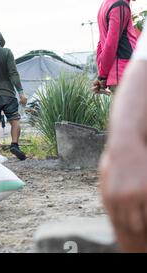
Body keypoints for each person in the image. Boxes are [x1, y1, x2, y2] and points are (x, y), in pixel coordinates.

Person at [99, 20, 147, 252]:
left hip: (120, 72)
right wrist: (124, 149)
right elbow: (141, 67)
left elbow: (108, 44)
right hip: (122, 73)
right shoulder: (118, 5)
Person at [0, 28, 27, 160]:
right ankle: (14, 144)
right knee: (14, 120)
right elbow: (13, 73)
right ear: (0, 39)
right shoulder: (6, 52)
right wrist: (20, 92)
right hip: (8, 94)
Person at [92, 0, 138, 95]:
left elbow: (101, 44)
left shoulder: (106, 4)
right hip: (126, 73)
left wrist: (102, 75)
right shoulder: (120, 5)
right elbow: (110, 45)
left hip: (119, 75)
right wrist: (103, 76)